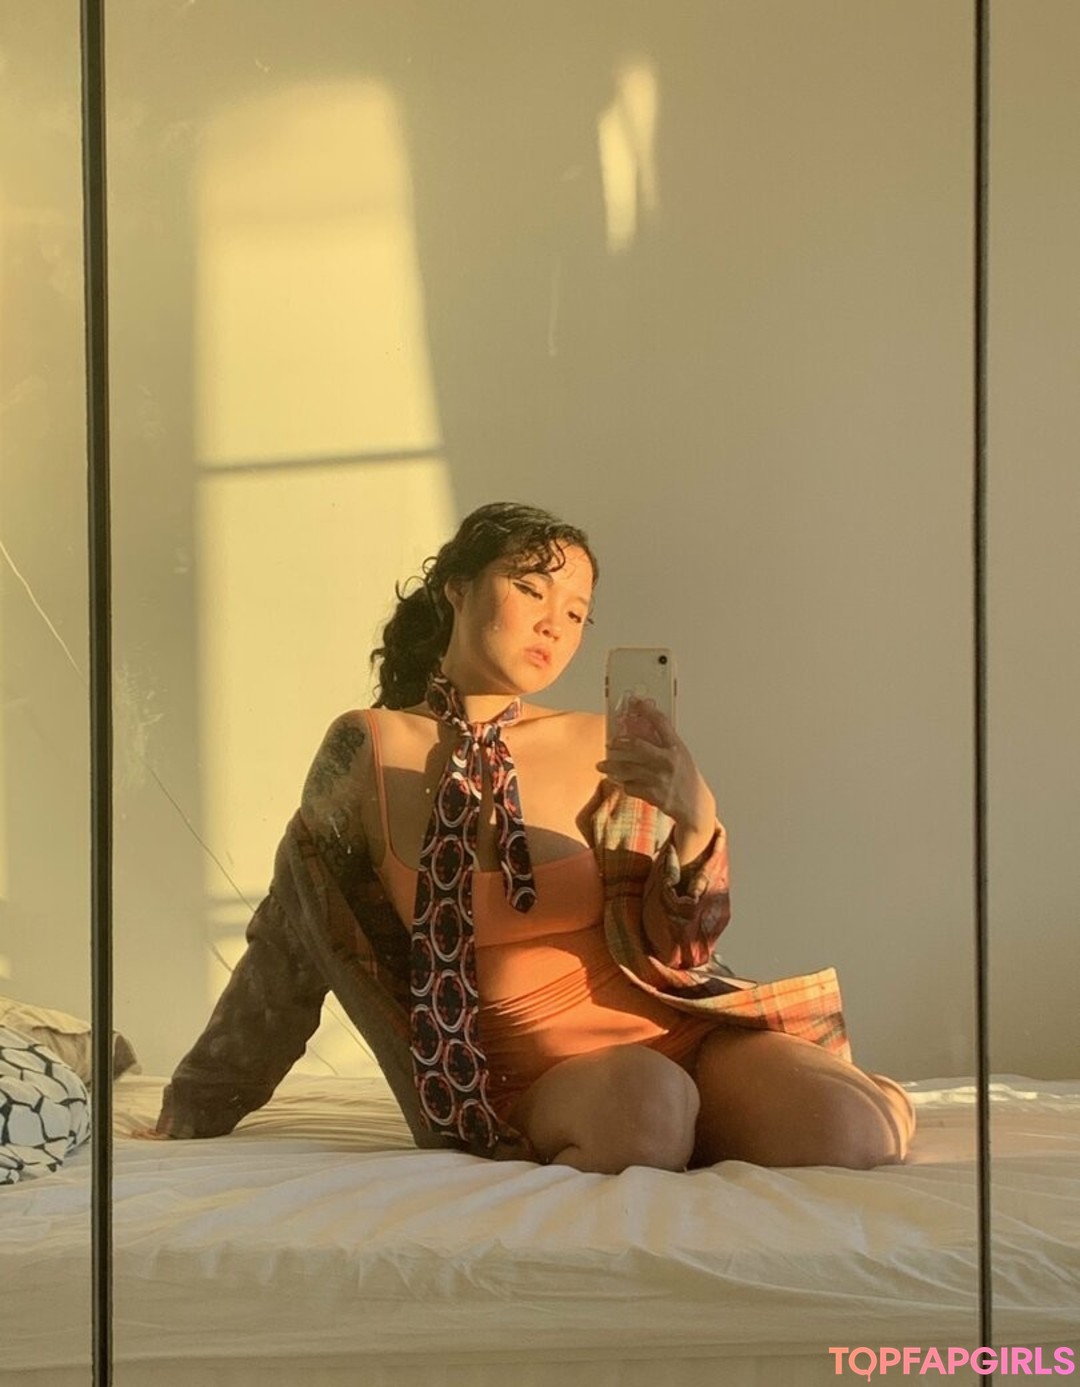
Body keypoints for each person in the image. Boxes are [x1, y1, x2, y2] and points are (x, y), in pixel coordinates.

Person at [153, 501, 914, 1173]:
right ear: (456, 587)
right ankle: (681, 1125)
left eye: (578, 612)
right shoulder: (367, 746)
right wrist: (198, 1103)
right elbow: (290, 934)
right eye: (530, 588)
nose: (556, 622)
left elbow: (681, 950)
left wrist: (697, 821)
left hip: (677, 1030)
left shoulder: (603, 743)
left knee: (855, 1131)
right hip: (524, 1080)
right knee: (644, 1111)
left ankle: (760, 1109)